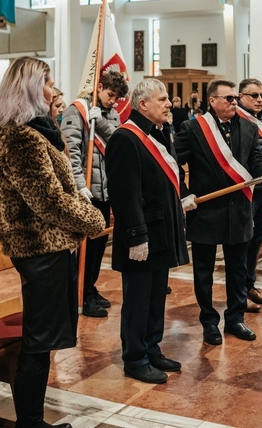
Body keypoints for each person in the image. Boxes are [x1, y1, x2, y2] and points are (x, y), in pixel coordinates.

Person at [0, 56, 105, 428]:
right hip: (39, 247)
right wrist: (92, 218)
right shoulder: (20, 136)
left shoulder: (35, 130)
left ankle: (33, 421)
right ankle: (30, 424)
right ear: (33, 88)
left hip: (51, 246)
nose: (55, 90)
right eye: (49, 82)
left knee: (45, 339)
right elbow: (46, 199)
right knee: (38, 341)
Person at [174, 80, 262, 346]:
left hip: (239, 209)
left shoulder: (248, 126)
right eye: (229, 98)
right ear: (212, 101)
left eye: (235, 98)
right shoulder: (193, 128)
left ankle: (235, 318)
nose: (234, 102)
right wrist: (184, 192)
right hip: (207, 211)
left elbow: (255, 157)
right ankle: (209, 321)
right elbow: (174, 163)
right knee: (203, 272)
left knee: (237, 269)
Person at [106, 78, 188, 384]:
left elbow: (168, 177)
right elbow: (125, 194)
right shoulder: (126, 138)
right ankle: (135, 357)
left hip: (162, 231)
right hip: (142, 235)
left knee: (156, 297)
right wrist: (136, 236)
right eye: (163, 99)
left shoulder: (158, 133)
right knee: (138, 299)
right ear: (143, 104)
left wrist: (184, 196)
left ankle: (152, 348)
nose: (169, 104)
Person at [61, 70, 128, 318]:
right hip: (87, 190)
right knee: (86, 245)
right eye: (110, 94)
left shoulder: (110, 114)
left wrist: (99, 122)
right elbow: (72, 153)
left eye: (116, 98)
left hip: (106, 189)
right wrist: (79, 185)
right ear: (98, 86)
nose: (112, 101)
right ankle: (80, 292)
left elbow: (118, 143)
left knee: (99, 245)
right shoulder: (76, 110)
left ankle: (90, 287)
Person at [237, 78, 262, 312]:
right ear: (241, 96)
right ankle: (239, 293)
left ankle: (250, 285)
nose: (259, 100)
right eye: (254, 95)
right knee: (244, 241)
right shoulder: (238, 120)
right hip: (247, 188)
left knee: (257, 239)